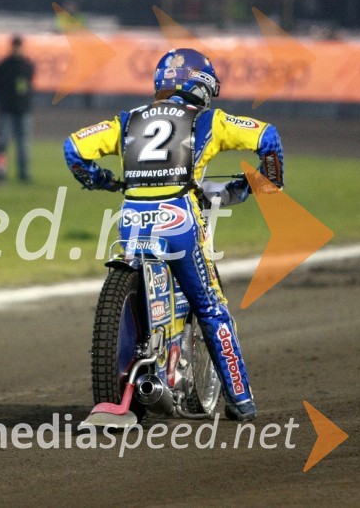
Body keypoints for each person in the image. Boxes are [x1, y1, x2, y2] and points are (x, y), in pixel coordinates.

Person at [64, 48, 284, 422]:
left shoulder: (127, 120)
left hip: (131, 219)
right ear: (201, 86)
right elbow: (268, 138)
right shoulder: (207, 120)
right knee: (211, 307)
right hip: (179, 219)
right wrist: (267, 184)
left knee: (139, 298)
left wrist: (102, 181)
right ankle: (240, 400)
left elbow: (74, 148)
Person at [0, 34, 35, 182]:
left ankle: (23, 173)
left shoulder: (26, 65)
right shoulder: (4, 66)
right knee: (2, 143)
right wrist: (1, 100)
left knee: (23, 144)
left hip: (23, 110)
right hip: (7, 109)